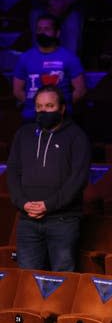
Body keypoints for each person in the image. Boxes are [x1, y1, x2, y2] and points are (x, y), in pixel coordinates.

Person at [6, 85, 91, 271]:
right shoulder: (23, 134)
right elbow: (12, 172)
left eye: (49, 106)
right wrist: (23, 202)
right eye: (39, 106)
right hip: (28, 220)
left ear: (62, 108)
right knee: (27, 280)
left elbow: (78, 179)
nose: (43, 110)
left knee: (62, 280)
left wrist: (48, 205)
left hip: (63, 221)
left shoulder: (77, 137)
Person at [13, 14, 85, 122]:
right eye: (39, 29)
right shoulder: (25, 58)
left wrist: (58, 107)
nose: (42, 33)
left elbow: (80, 90)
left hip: (61, 119)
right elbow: (17, 91)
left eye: (47, 29)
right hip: (32, 118)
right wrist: (37, 106)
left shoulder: (69, 58)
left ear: (57, 33)